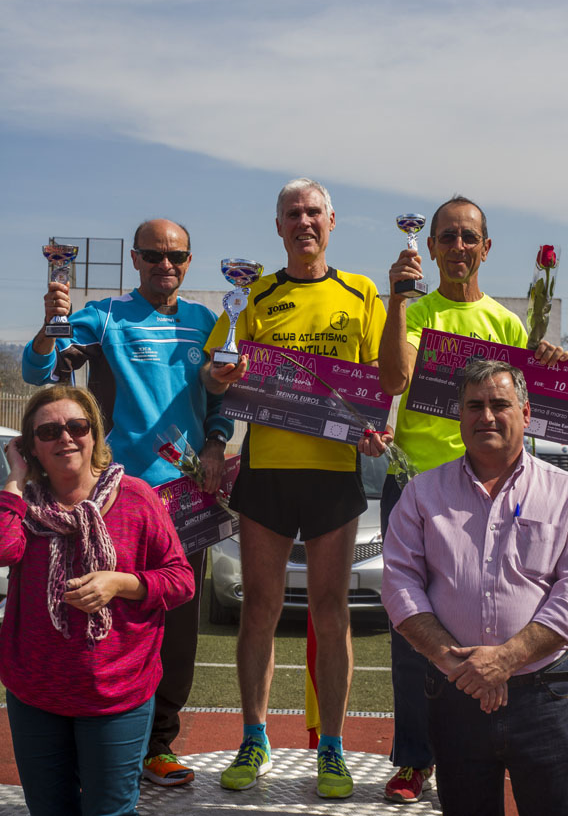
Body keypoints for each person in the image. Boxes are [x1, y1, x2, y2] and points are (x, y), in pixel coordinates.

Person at [21, 219, 234, 786]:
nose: (166, 265)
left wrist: (216, 443)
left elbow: (222, 397)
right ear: (136, 259)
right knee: (105, 618)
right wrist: (48, 327)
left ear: (189, 262)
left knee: (179, 628)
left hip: (186, 497)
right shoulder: (105, 316)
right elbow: (39, 371)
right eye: (154, 255)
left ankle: (158, 745)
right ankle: (96, 742)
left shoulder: (208, 322)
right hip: (114, 498)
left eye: (176, 256)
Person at [375, 195, 568, 804]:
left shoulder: (507, 323)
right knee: (413, 627)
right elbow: (395, 379)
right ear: (430, 247)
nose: (457, 247)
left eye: (468, 237)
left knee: (499, 611)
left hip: (492, 490)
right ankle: (414, 759)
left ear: (486, 248)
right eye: (447, 237)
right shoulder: (414, 309)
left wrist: (551, 360)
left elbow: (527, 402)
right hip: (420, 489)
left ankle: (495, 737)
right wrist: (397, 300)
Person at [201, 178, 387, 799]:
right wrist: (221, 372)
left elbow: (377, 379)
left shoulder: (361, 292)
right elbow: (215, 374)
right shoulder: (252, 293)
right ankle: (254, 737)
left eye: (313, 212)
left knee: (331, 612)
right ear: (277, 226)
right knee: (260, 608)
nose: (303, 222)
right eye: (292, 213)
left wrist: (373, 427)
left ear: (332, 221)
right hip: (268, 470)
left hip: (334, 474)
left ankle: (331, 747)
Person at [381, 360, 568, 816]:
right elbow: (400, 585)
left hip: (545, 697)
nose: (486, 416)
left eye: (500, 404)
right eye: (474, 406)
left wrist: (506, 659)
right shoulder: (422, 494)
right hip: (455, 698)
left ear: (525, 412)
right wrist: (456, 663)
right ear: (459, 415)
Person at [0, 385, 195, 816]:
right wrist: (15, 479)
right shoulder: (21, 506)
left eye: (77, 426)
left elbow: (181, 580)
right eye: (48, 431)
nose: (65, 438)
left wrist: (120, 584)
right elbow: (3, 549)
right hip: (35, 693)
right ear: (31, 446)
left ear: (94, 435)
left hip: (116, 695)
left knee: (109, 812)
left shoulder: (137, 497)